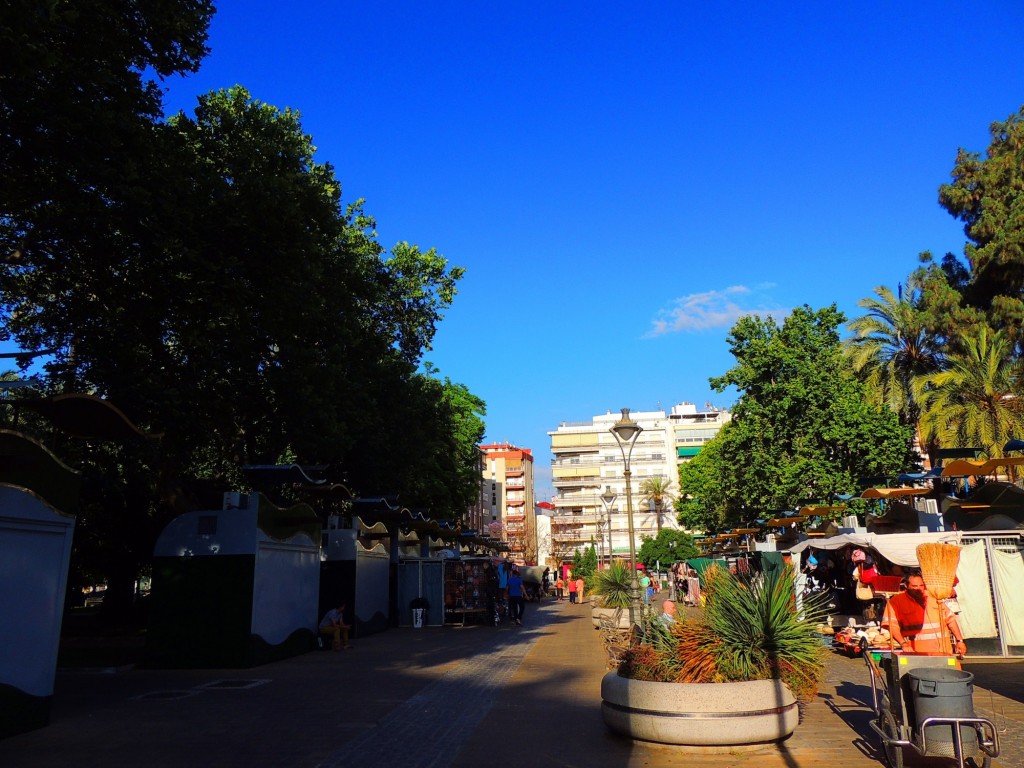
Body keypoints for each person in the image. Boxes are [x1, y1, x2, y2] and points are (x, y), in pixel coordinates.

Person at [882, 573, 968, 656]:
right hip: (917, 653)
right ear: (906, 586)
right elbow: (892, 626)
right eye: (914, 586)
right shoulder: (896, 602)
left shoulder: (934, 597)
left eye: (921, 585)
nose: (919, 589)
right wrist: (903, 643)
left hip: (944, 651)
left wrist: (959, 641)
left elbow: (950, 620)